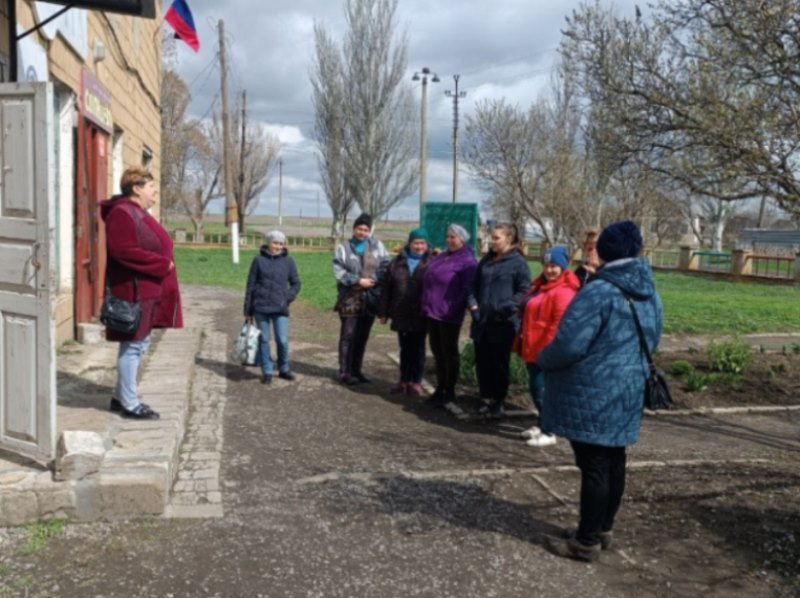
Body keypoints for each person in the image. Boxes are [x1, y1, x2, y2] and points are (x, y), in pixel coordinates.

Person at [537, 221, 663, 562]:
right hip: (627, 388)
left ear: (605, 251)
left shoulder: (599, 290)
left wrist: (542, 359)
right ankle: (601, 528)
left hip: (591, 391)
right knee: (614, 459)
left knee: (593, 464)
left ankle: (585, 542)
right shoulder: (650, 290)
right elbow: (655, 335)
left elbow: (570, 344)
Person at [101, 168, 183, 420]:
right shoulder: (122, 213)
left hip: (146, 290)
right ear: (136, 188)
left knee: (140, 343)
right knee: (134, 345)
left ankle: (119, 397)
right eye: (151, 188)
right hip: (133, 291)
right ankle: (129, 403)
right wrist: (161, 264)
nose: (154, 193)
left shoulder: (135, 212)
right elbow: (122, 250)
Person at [516, 246, 580, 447]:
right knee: (537, 388)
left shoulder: (564, 291)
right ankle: (542, 424)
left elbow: (557, 325)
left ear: (563, 267)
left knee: (541, 390)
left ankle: (549, 431)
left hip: (544, 351)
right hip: (532, 345)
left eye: (554, 266)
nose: (549, 270)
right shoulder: (541, 286)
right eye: (546, 265)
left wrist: (546, 351)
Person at [468, 223, 531, 418]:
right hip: (481, 322)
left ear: (509, 239)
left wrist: (503, 308)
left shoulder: (518, 263)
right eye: (491, 237)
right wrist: (473, 305)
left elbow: (524, 292)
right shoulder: (486, 260)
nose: (491, 241)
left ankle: (498, 401)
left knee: (499, 364)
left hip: (503, 324)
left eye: (496, 238)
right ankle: (485, 399)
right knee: (483, 362)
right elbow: (473, 286)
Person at [420, 224, 478, 407]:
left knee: (449, 352)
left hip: (448, 313)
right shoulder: (443, 256)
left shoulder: (467, 261)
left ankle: (449, 390)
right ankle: (440, 388)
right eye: (448, 236)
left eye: (453, 237)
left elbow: (467, 289)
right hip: (432, 311)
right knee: (437, 352)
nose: (449, 240)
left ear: (462, 239)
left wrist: (454, 307)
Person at [333, 213, 389, 385]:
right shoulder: (343, 247)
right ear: (354, 229)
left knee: (362, 336)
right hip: (350, 298)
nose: (362, 232)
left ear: (369, 231)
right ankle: (345, 371)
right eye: (359, 229)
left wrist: (373, 281)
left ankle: (357, 370)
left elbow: (386, 265)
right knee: (348, 335)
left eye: (366, 230)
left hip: (370, 298)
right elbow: (338, 271)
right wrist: (358, 281)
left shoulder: (377, 246)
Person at [377, 228, 432, 397]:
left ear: (427, 245)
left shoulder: (433, 262)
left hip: (421, 313)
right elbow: (386, 288)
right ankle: (404, 381)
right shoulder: (397, 262)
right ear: (410, 243)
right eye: (416, 242)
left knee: (418, 349)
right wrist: (383, 312)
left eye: (422, 243)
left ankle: (416, 382)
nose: (419, 246)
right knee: (404, 348)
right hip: (401, 311)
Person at [244, 230, 301, 384]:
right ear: (268, 243)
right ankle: (267, 370)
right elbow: (250, 285)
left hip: (280, 308)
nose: (278, 246)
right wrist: (247, 310)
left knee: (282, 339)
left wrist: (287, 298)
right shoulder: (258, 261)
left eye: (281, 243)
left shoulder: (289, 261)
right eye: (275, 242)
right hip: (260, 307)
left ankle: (283, 369)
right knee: (264, 340)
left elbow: (296, 283)